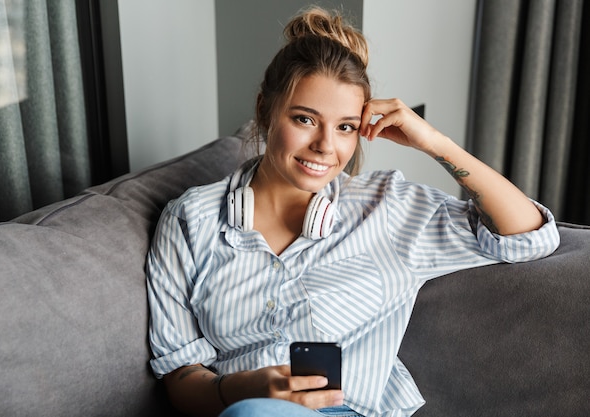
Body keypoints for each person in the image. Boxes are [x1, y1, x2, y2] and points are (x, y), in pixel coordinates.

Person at [146, 7, 560, 417]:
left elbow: (530, 238)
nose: (326, 146)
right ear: (263, 110)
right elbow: (180, 377)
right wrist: (241, 388)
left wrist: (435, 143)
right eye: (306, 119)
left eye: (345, 126)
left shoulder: (387, 208)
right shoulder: (190, 222)